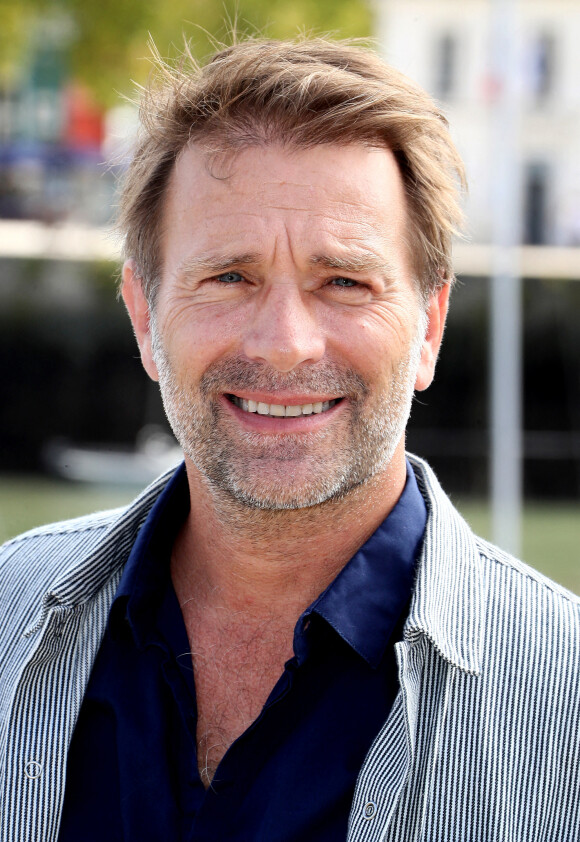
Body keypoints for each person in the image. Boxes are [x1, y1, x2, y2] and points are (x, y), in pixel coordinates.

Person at [0, 37, 578, 842]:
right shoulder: (7, 611)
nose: (284, 343)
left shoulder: (568, 700)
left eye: (344, 281)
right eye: (228, 276)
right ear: (143, 314)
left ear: (430, 329)